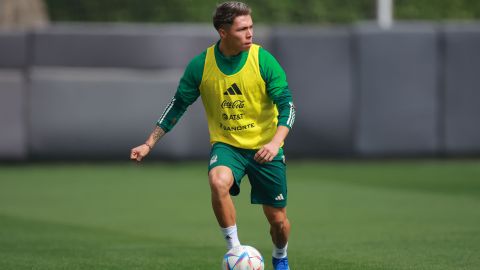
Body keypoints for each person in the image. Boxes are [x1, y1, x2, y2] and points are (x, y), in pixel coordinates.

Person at [130, 2, 295, 269]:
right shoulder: (201, 65)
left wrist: (275, 143)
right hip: (228, 146)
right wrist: (150, 143)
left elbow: (288, 106)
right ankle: (236, 251)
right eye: (243, 29)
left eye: (251, 27)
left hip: (266, 147)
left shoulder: (263, 60)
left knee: (278, 221)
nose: (250, 34)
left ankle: (280, 256)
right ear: (223, 32)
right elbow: (177, 105)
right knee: (218, 182)